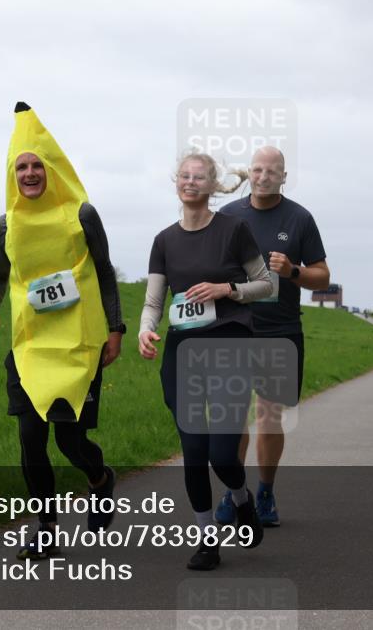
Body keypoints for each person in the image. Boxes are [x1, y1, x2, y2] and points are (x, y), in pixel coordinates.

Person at [0, 102, 124, 560]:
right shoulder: (5, 225)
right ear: (12, 174)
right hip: (29, 347)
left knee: (70, 440)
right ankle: (45, 528)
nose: (29, 172)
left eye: (37, 164)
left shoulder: (82, 215)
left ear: (51, 169)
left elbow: (104, 272)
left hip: (79, 346)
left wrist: (116, 329)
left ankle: (100, 479)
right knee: (30, 438)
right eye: (21, 166)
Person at [139, 151, 272, 570]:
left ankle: (240, 498)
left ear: (213, 187)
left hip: (230, 344)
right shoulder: (164, 241)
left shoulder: (234, 230)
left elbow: (266, 284)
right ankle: (206, 539)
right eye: (184, 176)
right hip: (184, 352)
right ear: (175, 182)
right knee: (194, 450)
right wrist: (146, 328)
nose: (190, 182)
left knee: (221, 455)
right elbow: (154, 300)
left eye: (199, 177)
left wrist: (226, 289)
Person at [216, 146, 329, 529]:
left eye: (272, 170)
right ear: (250, 174)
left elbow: (323, 277)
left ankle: (264, 490)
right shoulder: (229, 216)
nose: (263, 176)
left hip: (279, 332)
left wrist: (294, 271)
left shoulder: (299, 219)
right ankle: (235, 493)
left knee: (268, 417)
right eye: (257, 169)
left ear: (283, 177)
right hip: (233, 329)